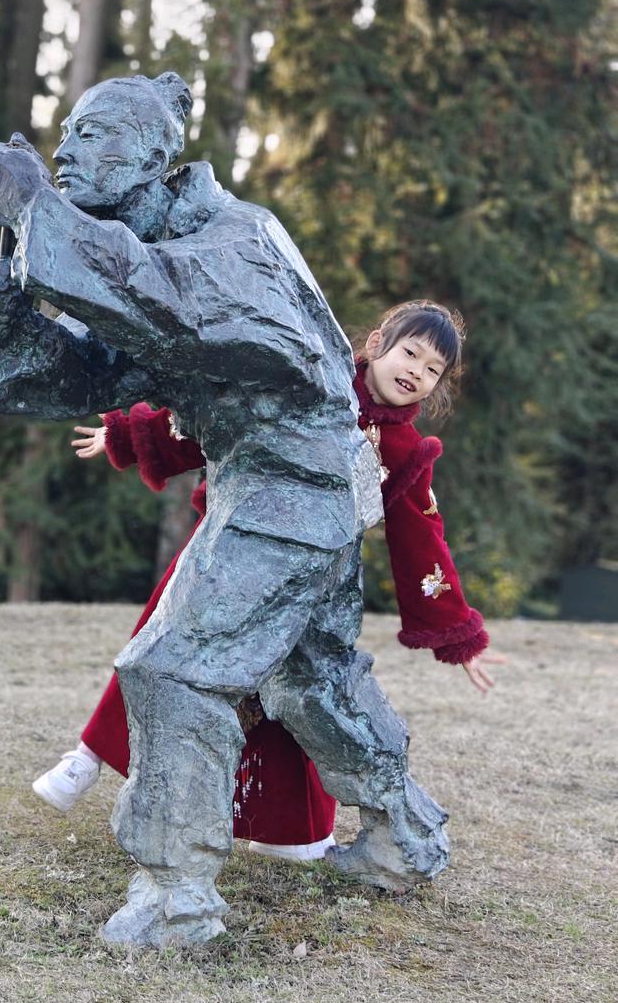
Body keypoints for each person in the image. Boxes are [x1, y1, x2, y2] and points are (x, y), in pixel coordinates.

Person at [0, 71, 449, 946]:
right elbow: (98, 369)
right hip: (287, 489)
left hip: (291, 489)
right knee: (312, 676)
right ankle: (404, 838)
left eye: (96, 134)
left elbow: (165, 306)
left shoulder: (236, 241)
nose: (69, 150)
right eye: (67, 133)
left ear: (157, 157)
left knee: (173, 669)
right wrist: (10, 325)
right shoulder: (150, 249)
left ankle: (177, 897)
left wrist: (41, 215)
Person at [33, 300, 504, 861]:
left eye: (432, 370)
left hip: (308, 584)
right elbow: (226, 413)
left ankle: (288, 831)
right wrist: (133, 437)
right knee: (164, 650)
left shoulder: (406, 452)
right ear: (377, 343)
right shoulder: (310, 384)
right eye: (410, 353)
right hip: (229, 548)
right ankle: (86, 759)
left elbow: (422, 542)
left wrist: (457, 635)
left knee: (286, 697)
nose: (416, 372)